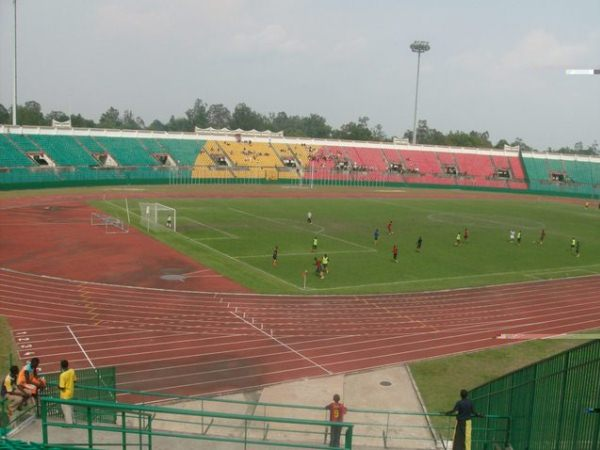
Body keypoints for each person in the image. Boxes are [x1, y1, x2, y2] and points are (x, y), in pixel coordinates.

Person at [58, 359, 76, 424]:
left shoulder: (62, 375)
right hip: (71, 393)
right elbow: (74, 381)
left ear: (61, 366)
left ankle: (69, 424)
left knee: (66, 411)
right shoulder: (72, 371)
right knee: (71, 409)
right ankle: (73, 421)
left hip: (65, 395)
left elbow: (62, 387)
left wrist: (58, 387)